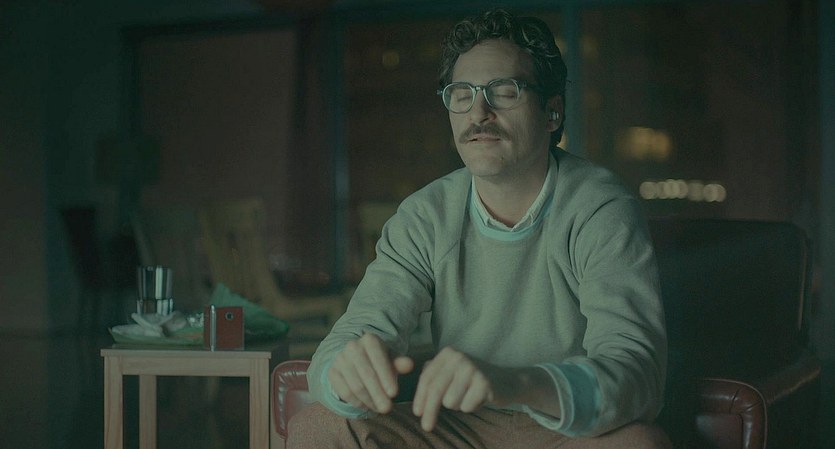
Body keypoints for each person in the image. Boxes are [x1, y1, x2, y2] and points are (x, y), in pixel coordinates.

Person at [289, 8, 671, 449]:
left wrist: (513, 382)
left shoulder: (600, 207)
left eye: (504, 91)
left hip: (565, 428)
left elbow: (636, 372)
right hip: (456, 429)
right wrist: (345, 373)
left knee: (638, 444)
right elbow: (348, 339)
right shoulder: (425, 215)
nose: (479, 112)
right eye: (462, 94)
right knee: (317, 427)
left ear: (552, 112)